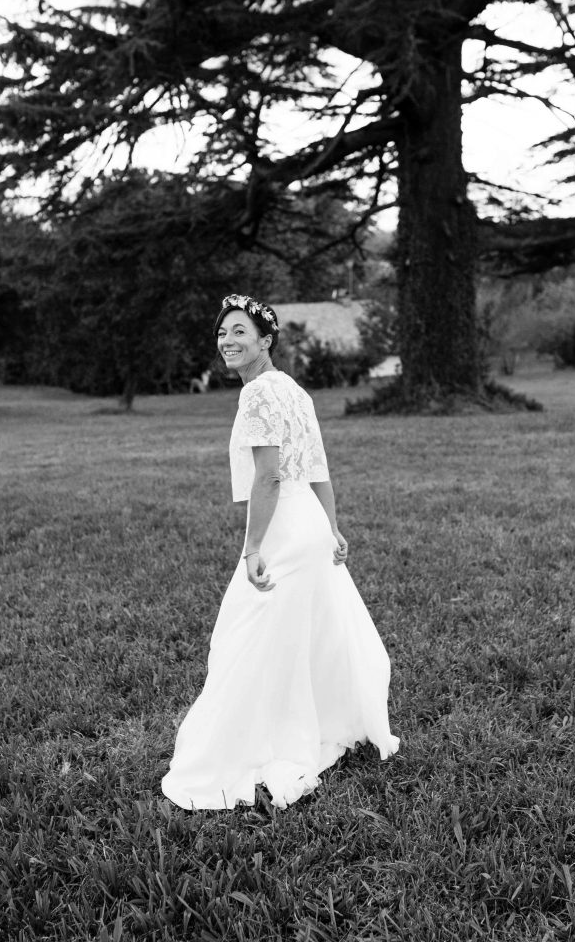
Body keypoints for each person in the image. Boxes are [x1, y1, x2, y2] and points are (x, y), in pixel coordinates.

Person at [161, 293, 399, 810]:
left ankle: (260, 743)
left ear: (265, 340)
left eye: (240, 332)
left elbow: (270, 476)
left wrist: (252, 549)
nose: (228, 341)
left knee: (248, 636)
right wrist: (332, 528)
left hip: (286, 529)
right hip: (310, 525)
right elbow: (318, 469)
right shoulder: (293, 389)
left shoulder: (258, 396)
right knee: (301, 634)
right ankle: (308, 723)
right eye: (223, 333)